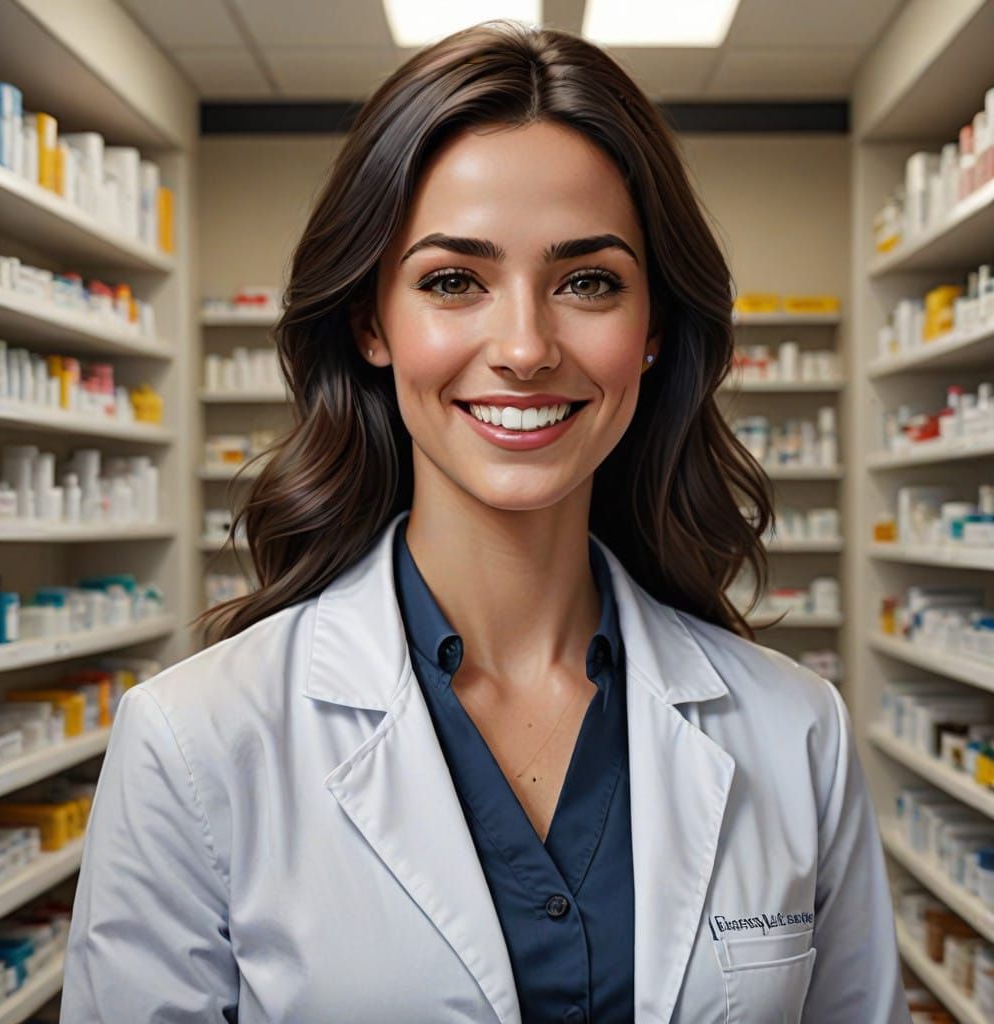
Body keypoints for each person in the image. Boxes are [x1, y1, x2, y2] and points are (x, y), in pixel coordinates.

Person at [60, 19, 910, 1024]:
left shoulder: (792, 729)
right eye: (452, 280)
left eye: (587, 281)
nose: (523, 346)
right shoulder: (195, 739)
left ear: (653, 332)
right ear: (372, 322)